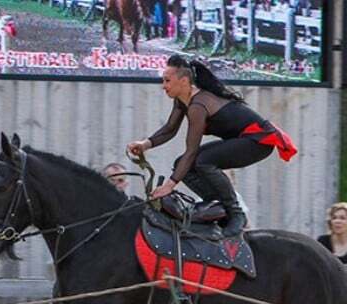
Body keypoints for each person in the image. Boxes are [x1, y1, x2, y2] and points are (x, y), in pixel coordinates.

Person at [127, 54, 296, 237]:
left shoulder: (198, 106)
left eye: (167, 80)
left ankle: (235, 214)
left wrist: (169, 185)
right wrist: (145, 144)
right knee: (182, 165)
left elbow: (191, 151)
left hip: (258, 142)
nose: (163, 86)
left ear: (184, 81)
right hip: (244, 139)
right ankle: (216, 207)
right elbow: (170, 129)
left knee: (202, 161)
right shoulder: (182, 100)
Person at [102, 161, 138, 304]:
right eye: (112, 180)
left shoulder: (133, 207)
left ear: (126, 183)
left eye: (121, 180)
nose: (117, 184)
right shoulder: (92, 211)